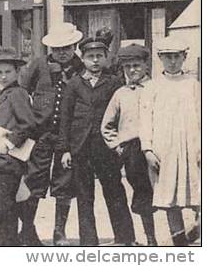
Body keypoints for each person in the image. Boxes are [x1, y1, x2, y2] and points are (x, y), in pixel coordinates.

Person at [59, 37, 135, 246]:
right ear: (82, 59)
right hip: (80, 148)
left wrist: (120, 143)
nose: (95, 61)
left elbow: (122, 115)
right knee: (84, 197)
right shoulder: (74, 84)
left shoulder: (114, 82)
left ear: (106, 58)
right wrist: (65, 149)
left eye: (99, 56)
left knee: (115, 192)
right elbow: (65, 118)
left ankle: (125, 238)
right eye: (90, 57)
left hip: (106, 148)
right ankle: (88, 242)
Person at [19, 21, 83, 246]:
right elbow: (20, 91)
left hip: (68, 136)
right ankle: (27, 231)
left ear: (75, 46)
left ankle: (59, 232)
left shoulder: (81, 69)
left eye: (66, 48)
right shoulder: (39, 65)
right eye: (57, 49)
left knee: (64, 182)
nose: (62, 53)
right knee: (34, 180)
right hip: (41, 135)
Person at [139, 38, 201, 246]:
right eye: (168, 57)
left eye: (176, 57)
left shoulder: (194, 85)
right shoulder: (152, 87)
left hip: (192, 148)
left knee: (198, 192)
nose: (172, 62)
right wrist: (147, 149)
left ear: (184, 57)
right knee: (169, 197)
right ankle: (179, 241)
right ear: (160, 59)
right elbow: (145, 120)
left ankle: (200, 226)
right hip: (163, 150)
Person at [101, 45, 157, 246]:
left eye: (136, 66)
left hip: (155, 148)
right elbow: (107, 125)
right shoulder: (120, 94)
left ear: (145, 65)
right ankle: (151, 238)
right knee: (142, 192)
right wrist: (117, 145)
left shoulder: (156, 88)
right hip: (132, 149)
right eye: (128, 67)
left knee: (163, 190)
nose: (132, 70)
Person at [0, 49, 37, 246]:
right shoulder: (1, 93)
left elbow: (29, 124)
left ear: (17, 72)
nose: (3, 76)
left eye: (8, 72)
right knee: (0, 206)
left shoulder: (18, 94)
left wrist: (9, 142)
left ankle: (8, 246)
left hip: (9, 160)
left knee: (5, 208)